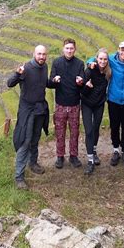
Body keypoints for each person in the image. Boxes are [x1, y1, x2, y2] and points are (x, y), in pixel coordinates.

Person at [7, 45, 50, 190]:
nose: (41, 57)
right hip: (27, 109)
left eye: (44, 54)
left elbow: (44, 83)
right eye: (39, 54)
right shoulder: (26, 68)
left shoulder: (45, 68)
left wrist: (55, 82)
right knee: (25, 141)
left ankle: (33, 163)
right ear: (34, 54)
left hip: (40, 108)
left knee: (35, 138)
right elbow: (10, 83)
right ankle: (19, 177)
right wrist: (17, 74)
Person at [48, 38, 85, 169]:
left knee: (74, 132)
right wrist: (54, 80)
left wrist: (81, 82)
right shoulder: (57, 63)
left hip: (75, 104)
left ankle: (74, 156)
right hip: (60, 105)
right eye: (67, 48)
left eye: (71, 48)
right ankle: (60, 156)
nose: (69, 50)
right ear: (63, 49)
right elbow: (50, 83)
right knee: (60, 132)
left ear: (75, 49)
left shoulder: (80, 64)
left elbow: (83, 84)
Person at [81, 49, 112, 175]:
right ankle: (90, 161)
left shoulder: (108, 73)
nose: (103, 61)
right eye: (100, 59)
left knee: (96, 129)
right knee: (88, 131)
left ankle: (94, 151)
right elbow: (81, 90)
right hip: (87, 104)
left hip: (99, 104)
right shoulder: (89, 70)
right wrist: (87, 87)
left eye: (105, 59)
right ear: (96, 59)